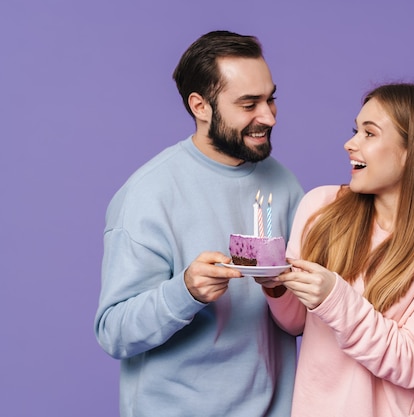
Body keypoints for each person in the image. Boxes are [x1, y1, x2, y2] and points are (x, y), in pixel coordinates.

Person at [94, 30, 304, 417]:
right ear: (200, 106)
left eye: (271, 98)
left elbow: (300, 318)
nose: (268, 116)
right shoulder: (148, 195)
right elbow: (114, 332)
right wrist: (185, 291)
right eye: (248, 104)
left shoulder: (285, 184)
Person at [258, 83, 414, 416]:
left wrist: (335, 297)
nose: (350, 144)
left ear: (413, 151)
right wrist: (274, 284)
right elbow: (295, 323)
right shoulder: (321, 208)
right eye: (355, 130)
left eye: (370, 133)